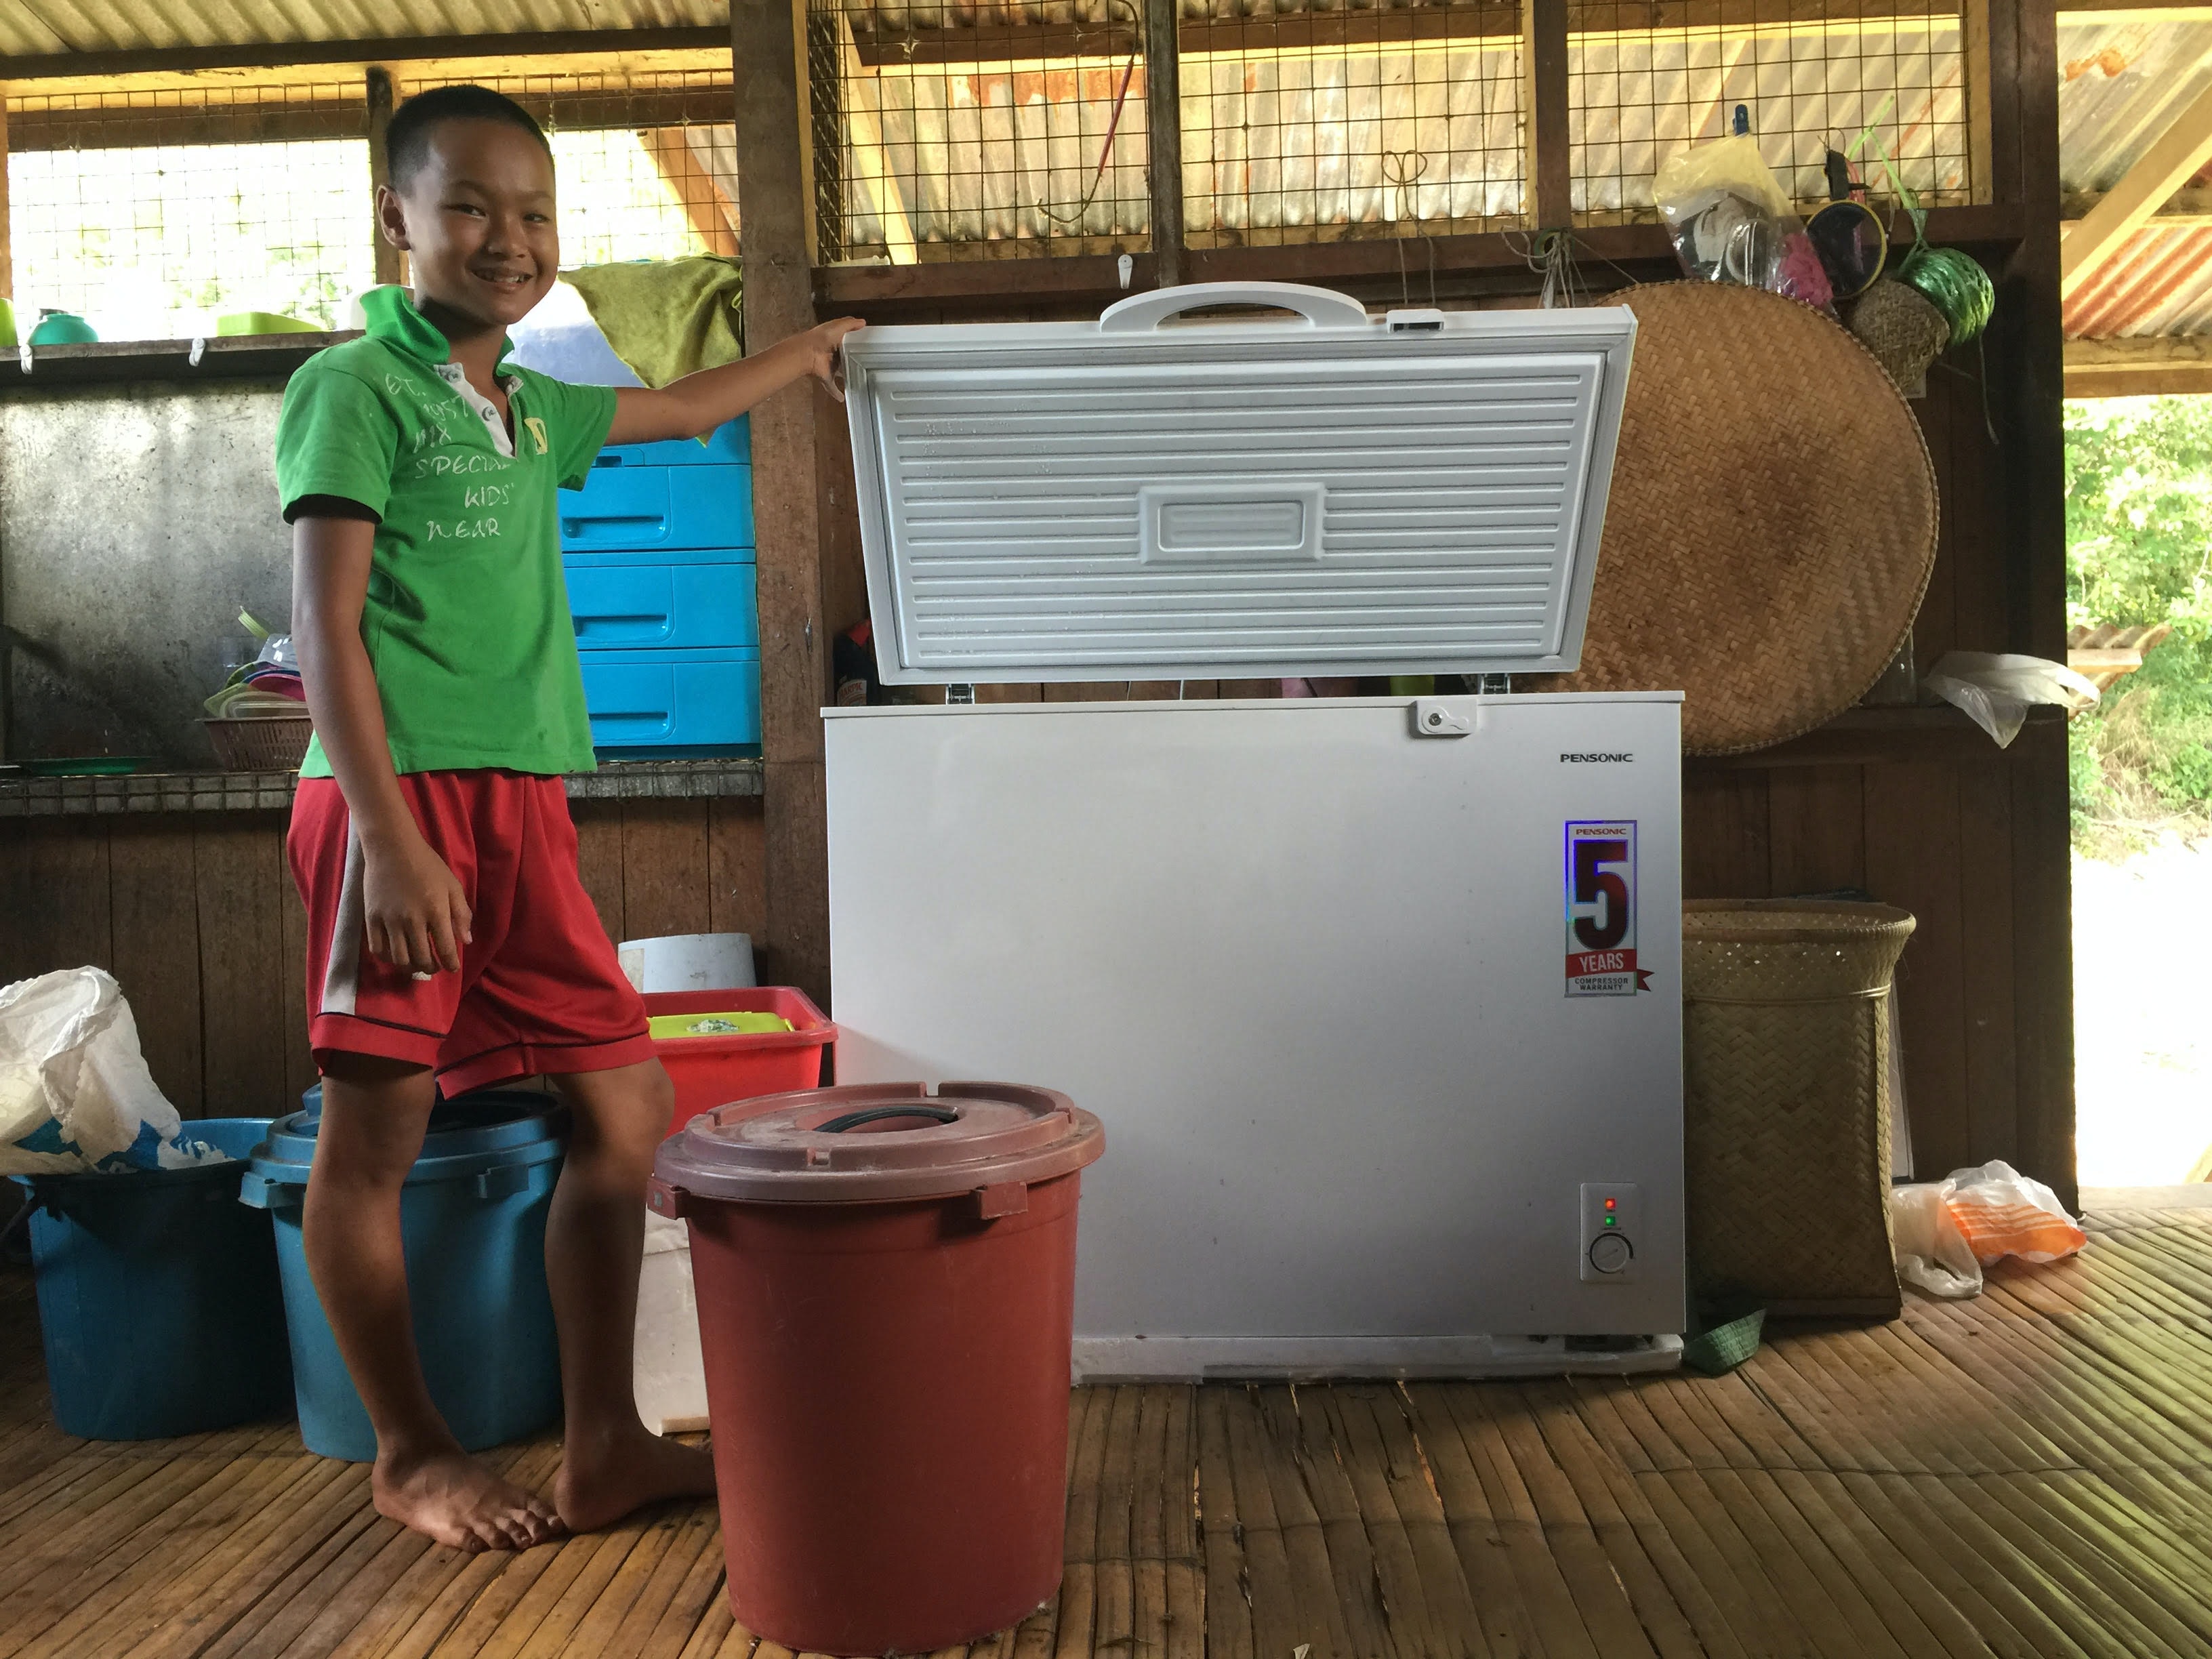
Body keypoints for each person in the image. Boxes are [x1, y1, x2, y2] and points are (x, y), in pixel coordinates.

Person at [277, 83, 863, 1553]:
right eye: (468, 205)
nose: (506, 238)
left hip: (523, 809)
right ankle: (410, 1453)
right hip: (390, 809)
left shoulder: (527, 402)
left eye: (533, 213)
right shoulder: (355, 387)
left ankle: (605, 1443)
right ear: (394, 219)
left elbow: (673, 407)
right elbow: (323, 627)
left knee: (626, 1105)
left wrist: (804, 353)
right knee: (375, 1146)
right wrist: (392, 837)